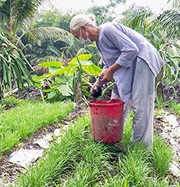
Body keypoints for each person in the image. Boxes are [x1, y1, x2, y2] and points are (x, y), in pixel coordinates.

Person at [70, 14, 164, 147]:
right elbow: (110, 64)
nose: (80, 40)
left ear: (84, 28)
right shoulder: (99, 42)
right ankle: (112, 139)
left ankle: (141, 148)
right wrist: (99, 83)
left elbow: (131, 49)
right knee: (118, 103)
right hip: (131, 65)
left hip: (143, 59)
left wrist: (111, 70)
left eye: (78, 36)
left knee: (141, 106)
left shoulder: (107, 29)